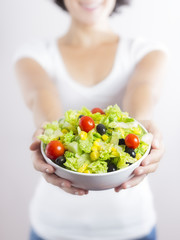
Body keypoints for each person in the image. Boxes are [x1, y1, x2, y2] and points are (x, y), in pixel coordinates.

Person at [14, 0, 167, 239]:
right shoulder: (33, 54)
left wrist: (142, 127)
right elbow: (40, 95)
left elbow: (143, 89)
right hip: (53, 227)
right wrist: (49, 134)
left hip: (131, 226)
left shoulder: (146, 51)